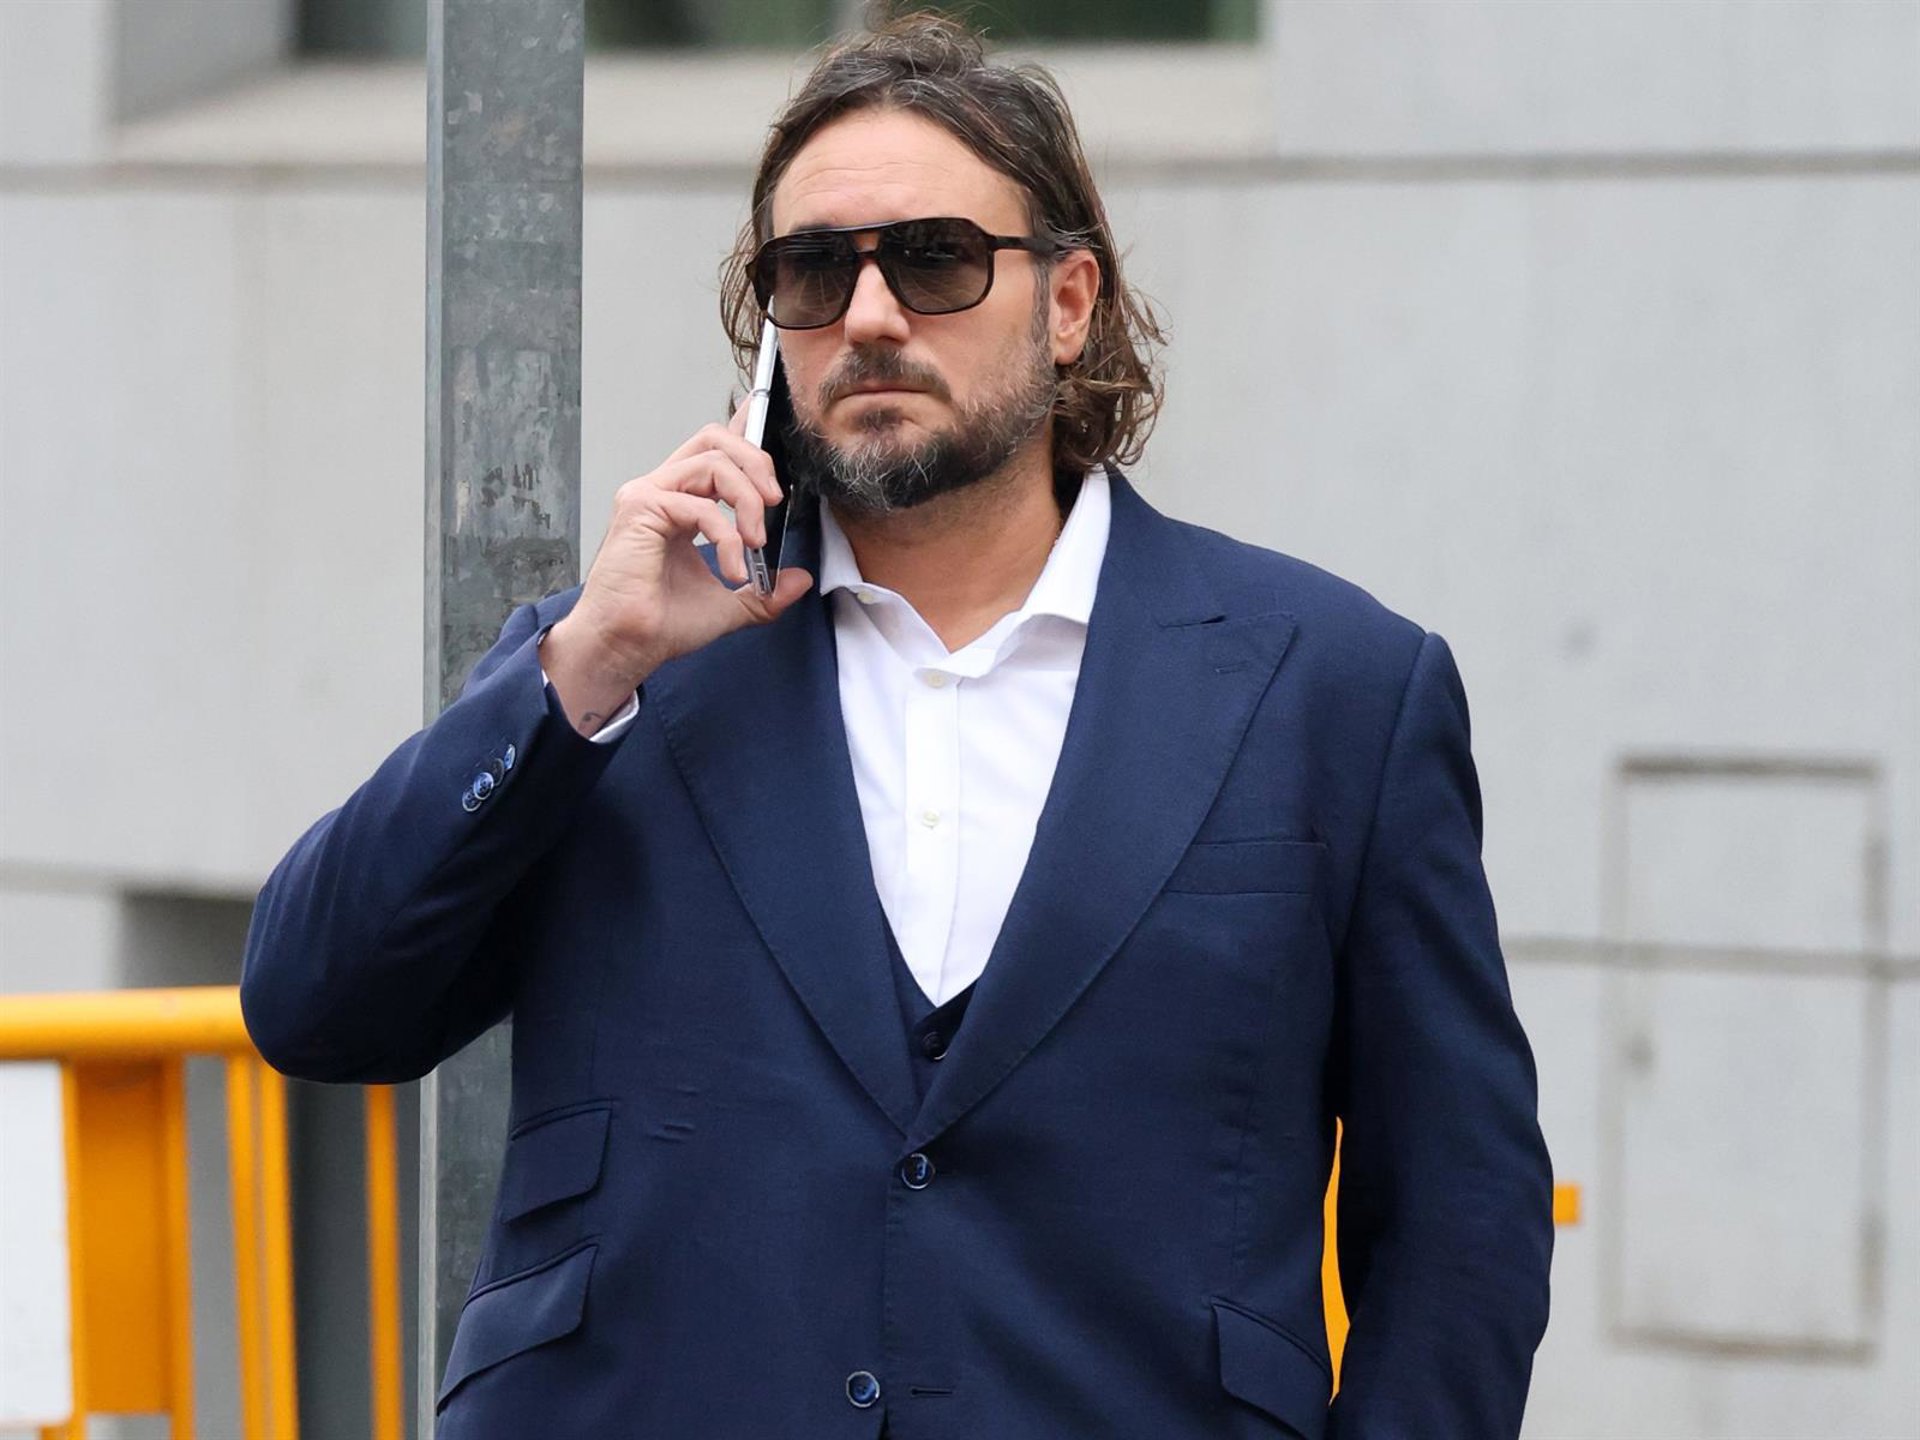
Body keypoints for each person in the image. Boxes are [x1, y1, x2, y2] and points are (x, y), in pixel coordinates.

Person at [242, 13, 1553, 1438]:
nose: (870, 316)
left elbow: (1462, 1218)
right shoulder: (620, 673)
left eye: (935, 259)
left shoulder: (1333, 688)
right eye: (814, 272)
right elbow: (315, 1004)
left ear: (1069, 303)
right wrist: (583, 665)